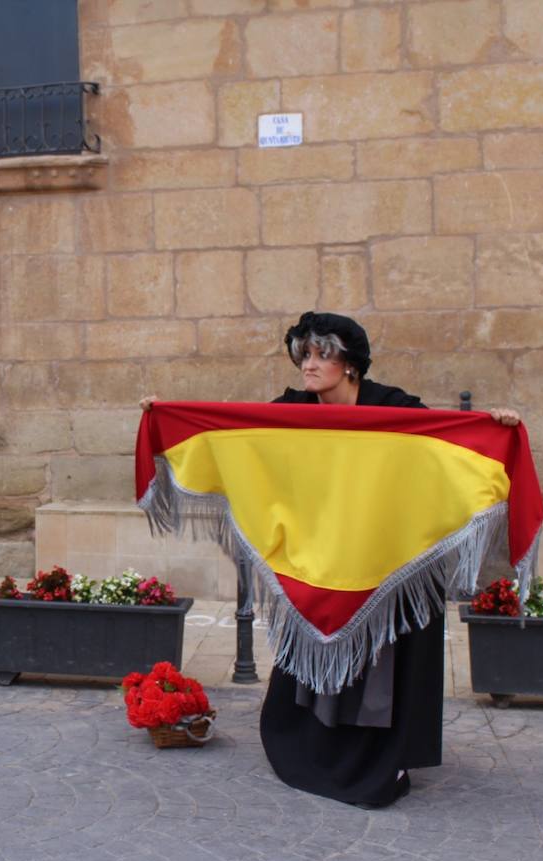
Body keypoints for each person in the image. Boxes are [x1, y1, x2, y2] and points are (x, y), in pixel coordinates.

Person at [141, 311, 519, 808]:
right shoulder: (293, 409)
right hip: (322, 554)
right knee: (318, 642)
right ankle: (314, 743)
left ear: (351, 364)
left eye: (322, 354)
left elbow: (443, 439)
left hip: (385, 554)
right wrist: (165, 414)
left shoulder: (392, 405)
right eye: (305, 354)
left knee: (386, 659)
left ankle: (386, 750)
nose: (309, 365)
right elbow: (239, 433)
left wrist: (495, 426)